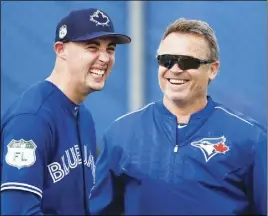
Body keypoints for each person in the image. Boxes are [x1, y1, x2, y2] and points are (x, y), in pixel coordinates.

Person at [89, 18, 266, 215]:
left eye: (187, 61)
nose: (175, 69)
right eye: (167, 60)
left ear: (213, 69)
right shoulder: (121, 133)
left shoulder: (250, 138)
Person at [1, 8, 130, 215]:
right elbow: (17, 211)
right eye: (92, 47)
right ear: (61, 49)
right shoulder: (31, 118)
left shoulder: (84, 116)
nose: (104, 58)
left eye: (111, 49)